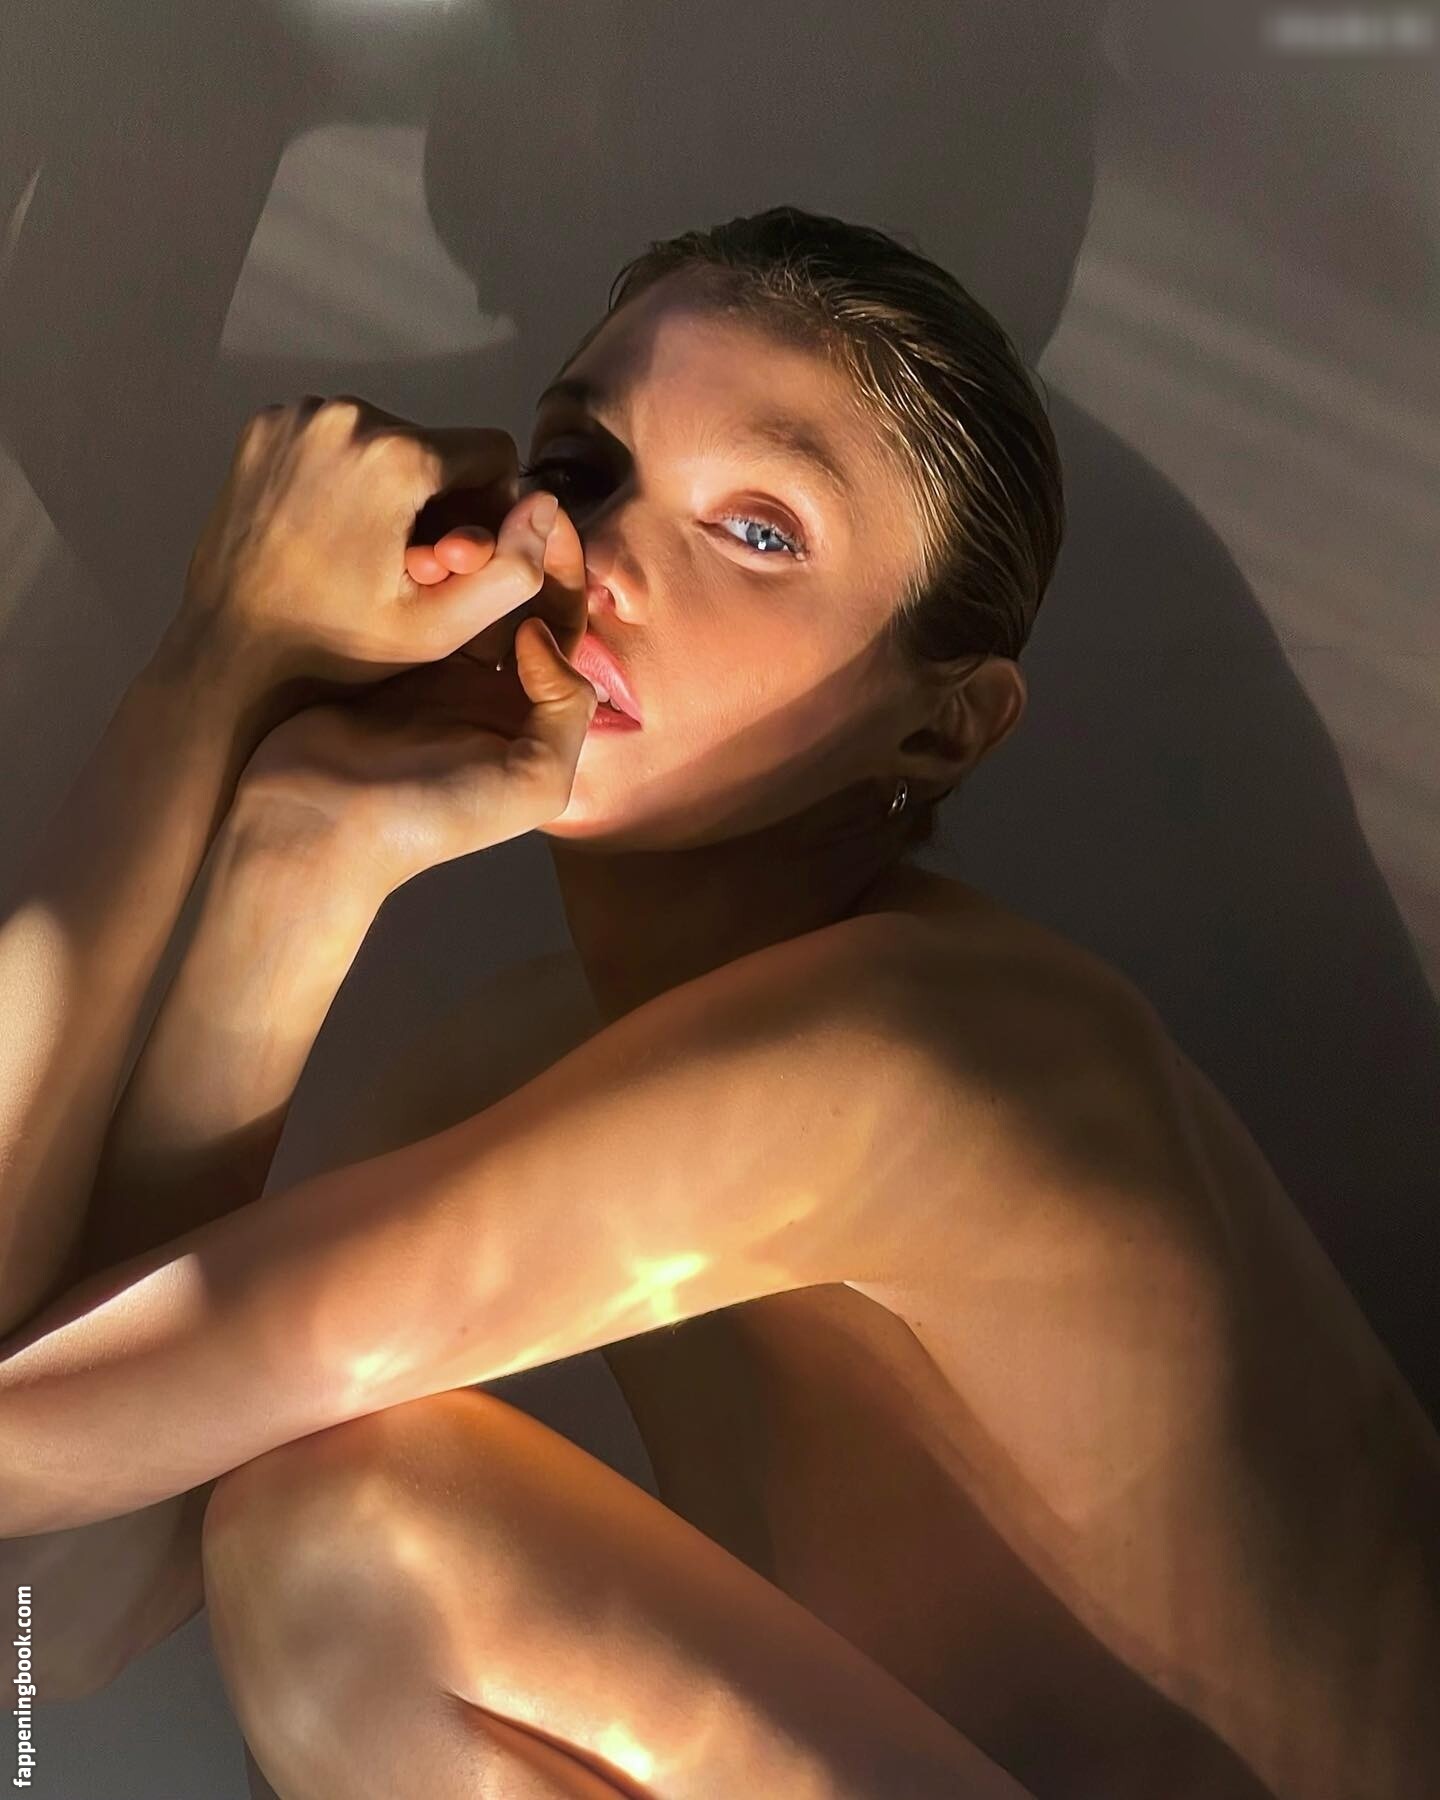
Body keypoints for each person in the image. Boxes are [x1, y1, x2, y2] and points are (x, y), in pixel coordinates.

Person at [0, 207, 1435, 1800]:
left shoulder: (920, 1054)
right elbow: (61, 1601)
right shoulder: (523, 1062)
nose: (606, 562)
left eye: (759, 529)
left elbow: (20, 1449)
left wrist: (216, 664)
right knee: (313, 1532)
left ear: (943, 729)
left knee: (350, 1540)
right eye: (581, 466)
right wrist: (299, 861)